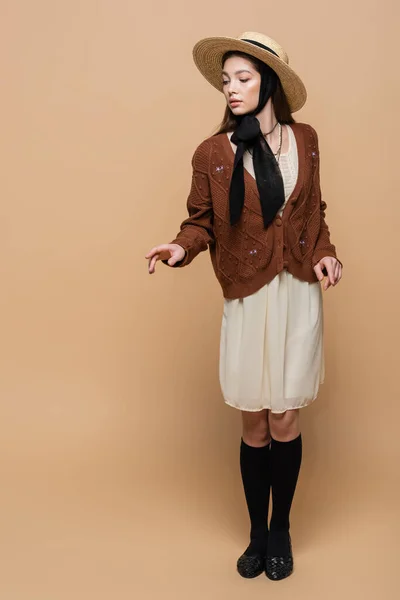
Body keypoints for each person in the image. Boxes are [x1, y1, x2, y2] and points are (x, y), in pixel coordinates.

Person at [145, 31, 343, 581]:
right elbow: (201, 222)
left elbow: (314, 213)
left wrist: (326, 254)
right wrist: (178, 247)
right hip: (246, 293)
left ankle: (281, 530)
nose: (230, 89)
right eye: (226, 79)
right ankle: (257, 532)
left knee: (285, 416)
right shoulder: (212, 153)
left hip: (297, 294)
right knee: (254, 419)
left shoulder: (305, 139)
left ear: (270, 82)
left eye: (243, 77)